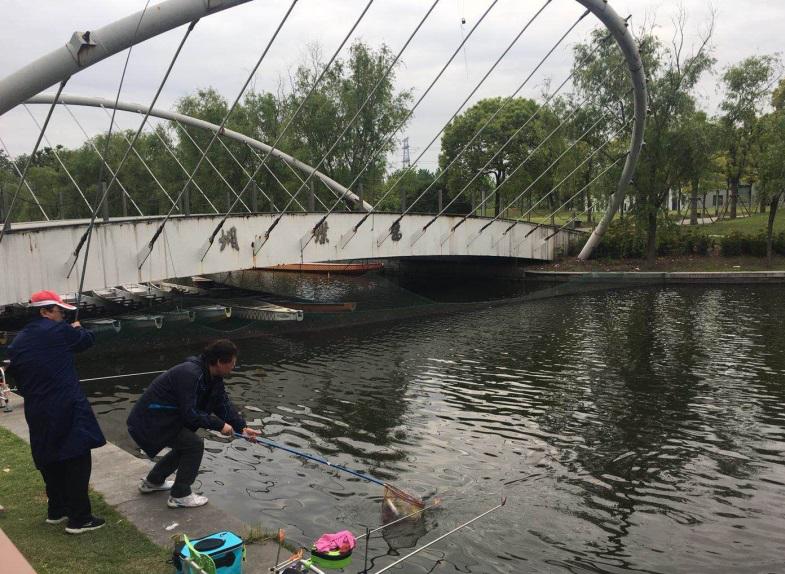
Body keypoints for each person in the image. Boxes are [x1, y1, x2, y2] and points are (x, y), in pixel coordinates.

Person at [6, 290, 106, 534]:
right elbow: (86, 341)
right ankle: (80, 518)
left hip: (37, 408)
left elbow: (16, 375)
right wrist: (78, 328)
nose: (62, 315)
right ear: (45, 311)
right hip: (66, 405)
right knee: (77, 456)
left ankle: (57, 509)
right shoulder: (59, 330)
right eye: (59, 311)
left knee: (50, 457)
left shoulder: (18, 341)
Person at [127, 339, 260, 508]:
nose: (234, 367)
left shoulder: (213, 377)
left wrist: (242, 428)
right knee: (193, 445)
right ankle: (180, 495)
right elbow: (190, 413)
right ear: (220, 362)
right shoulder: (190, 374)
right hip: (151, 420)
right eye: (232, 363)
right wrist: (220, 425)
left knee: (186, 444)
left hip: (166, 419)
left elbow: (222, 404)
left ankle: (153, 481)